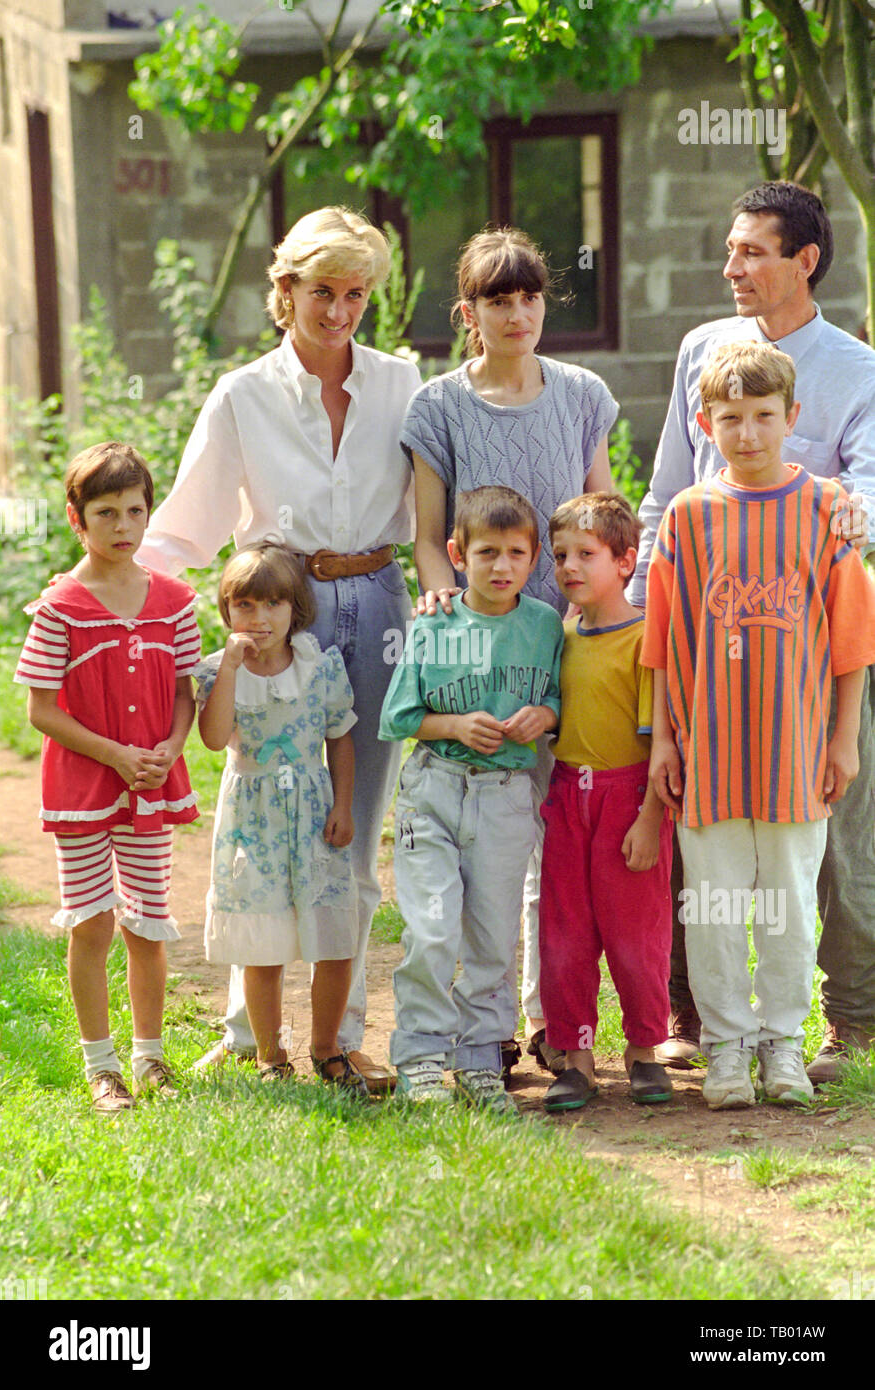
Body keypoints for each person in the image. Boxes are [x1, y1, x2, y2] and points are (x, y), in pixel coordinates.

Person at [137, 207, 422, 1092]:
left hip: (376, 601)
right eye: (322, 291)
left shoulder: (404, 384)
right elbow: (184, 524)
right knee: (259, 824)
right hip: (276, 614)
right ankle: (246, 1032)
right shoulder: (243, 395)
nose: (339, 311)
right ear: (285, 290)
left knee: (353, 827)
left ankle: (342, 1036)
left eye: (356, 294)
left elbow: (443, 507)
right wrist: (99, 594)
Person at [631, 181, 875, 1083]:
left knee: (829, 848)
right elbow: (667, 488)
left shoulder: (854, 368)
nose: (731, 267)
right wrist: (644, 598)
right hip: (703, 648)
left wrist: (827, 526)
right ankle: (701, 1021)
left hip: (813, 643)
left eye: (751, 252)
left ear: (804, 260)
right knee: (707, 850)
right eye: (730, 250)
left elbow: (868, 499)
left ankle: (842, 1020)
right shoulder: (704, 349)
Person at [402, 226, 618, 1078]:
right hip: (475, 653)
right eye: (499, 300)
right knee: (487, 836)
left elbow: (604, 511)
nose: (518, 312)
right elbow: (425, 537)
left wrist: (600, 610)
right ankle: (473, 1028)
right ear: (469, 313)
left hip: (563, 639)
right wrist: (444, 606)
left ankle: (549, 1023)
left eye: (530, 296)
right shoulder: (438, 406)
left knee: (550, 832)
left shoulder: (583, 393)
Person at [14, 442, 199, 1113]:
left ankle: (151, 1057)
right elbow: (39, 710)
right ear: (76, 519)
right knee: (91, 925)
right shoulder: (61, 606)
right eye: (106, 513)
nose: (123, 526)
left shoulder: (175, 601)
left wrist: (169, 749)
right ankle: (103, 1067)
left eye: (134, 511)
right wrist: (116, 755)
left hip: (151, 787)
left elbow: (186, 692)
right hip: (84, 795)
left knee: (147, 925)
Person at [379, 486, 563, 1112]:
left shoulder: (544, 625)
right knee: (432, 930)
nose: (502, 565)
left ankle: (482, 1058)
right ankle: (422, 1056)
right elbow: (400, 715)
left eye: (516, 552)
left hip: (507, 797)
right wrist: (454, 725)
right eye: (487, 552)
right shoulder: (434, 621)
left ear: (535, 557)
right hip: (434, 790)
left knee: (491, 938)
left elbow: (564, 701)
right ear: (457, 554)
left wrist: (545, 714)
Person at [194, 542, 366, 1095]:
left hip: (314, 814)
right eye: (245, 606)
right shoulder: (222, 671)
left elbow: (339, 737)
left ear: (296, 608)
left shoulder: (320, 665)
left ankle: (327, 1046)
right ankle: (270, 1052)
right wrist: (228, 665)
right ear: (227, 612)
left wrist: (343, 804)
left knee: (334, 933)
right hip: (254, 819)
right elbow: (215, 738)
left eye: (273, 604)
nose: (260, 618)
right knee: (263, 942)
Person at [538, 492, 673, 1112]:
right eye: (560, 554)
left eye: (585, 554)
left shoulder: (647, 639)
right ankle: (576, 1054)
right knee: (565, 934)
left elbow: (659, 745)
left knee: (635, 935)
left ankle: (645, 1050)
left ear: (625, 560)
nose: (569, 566)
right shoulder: (557, 637)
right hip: (568, 796)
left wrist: (651, 818)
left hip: (630, 797)